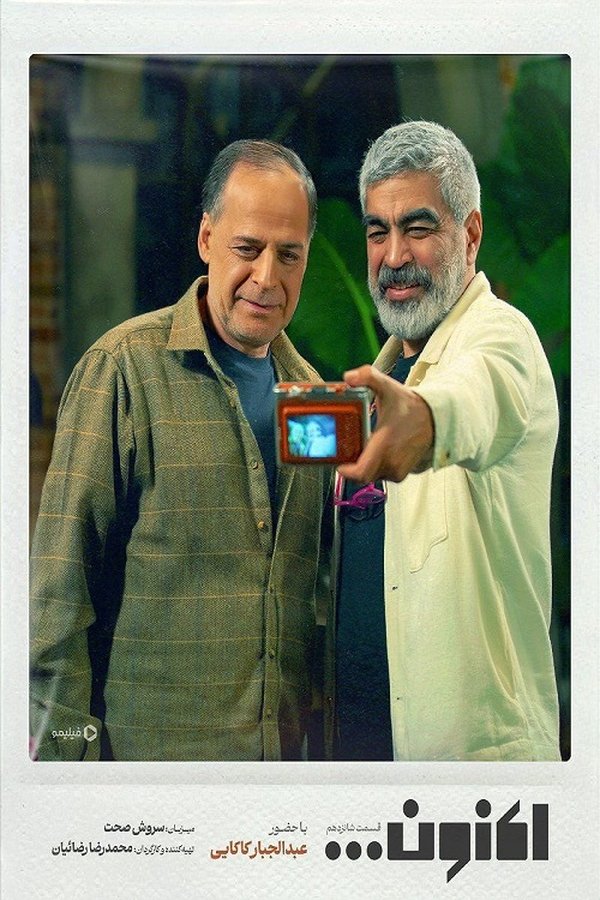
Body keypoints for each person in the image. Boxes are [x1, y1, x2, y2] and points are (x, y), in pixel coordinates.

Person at [30, 139, 329, 762]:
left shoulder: (314, 398)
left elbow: (315, 596)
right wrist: (67, 777)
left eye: (289, 254)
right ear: (206, 239)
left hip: (278, 785)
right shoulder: (123, 371)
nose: (266, 278)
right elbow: (57, 598)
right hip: (146, 782)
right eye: (247, 248)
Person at [329, 121, 561, 761]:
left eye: (418, 228)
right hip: (363, 771)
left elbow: (475, 397)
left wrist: (425, 420)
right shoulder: (378, 383)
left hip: (475, 780)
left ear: (471, 233)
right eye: (378, 231)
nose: (393, 256)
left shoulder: (502, 338)